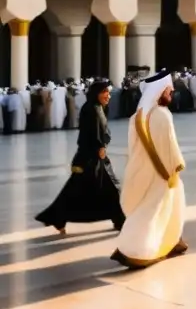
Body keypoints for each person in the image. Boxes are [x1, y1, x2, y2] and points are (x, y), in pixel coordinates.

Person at [111, 72, 187, 269]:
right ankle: (134, 250)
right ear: (160, 90)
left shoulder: (137, 116)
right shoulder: (162, 115)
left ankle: (172, 241)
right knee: (152, 212)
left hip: (142, 169)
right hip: (162, 172)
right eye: (169, 89)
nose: (172, 91)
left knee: (164, 209)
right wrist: (175, 167)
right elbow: (169, 146)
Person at [36, 80, 125, 234]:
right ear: (96, 93)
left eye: (108, 93)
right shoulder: (91, 109)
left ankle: (119, 220)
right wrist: (100, 146)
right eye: (105, 92)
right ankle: (119, 221)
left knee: (92, 190)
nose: (108, 96)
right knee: (84, 191)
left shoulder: (97, 108)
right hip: (90, 158)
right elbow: (89, 133)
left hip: (96, 156)